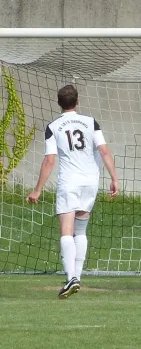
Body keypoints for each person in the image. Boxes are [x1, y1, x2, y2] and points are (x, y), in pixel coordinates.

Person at [27, 85, 119, 299]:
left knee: (66, 232)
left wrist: (37, 190)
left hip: (70, 182)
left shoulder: (53, 126)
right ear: (77, 102)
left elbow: (50, 160)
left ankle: (71, 278)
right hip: (90, 182)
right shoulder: (90, 122)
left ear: (59, 103)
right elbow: (103, 150)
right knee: (81, 230)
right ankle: (77, 276)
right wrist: (114, 178)